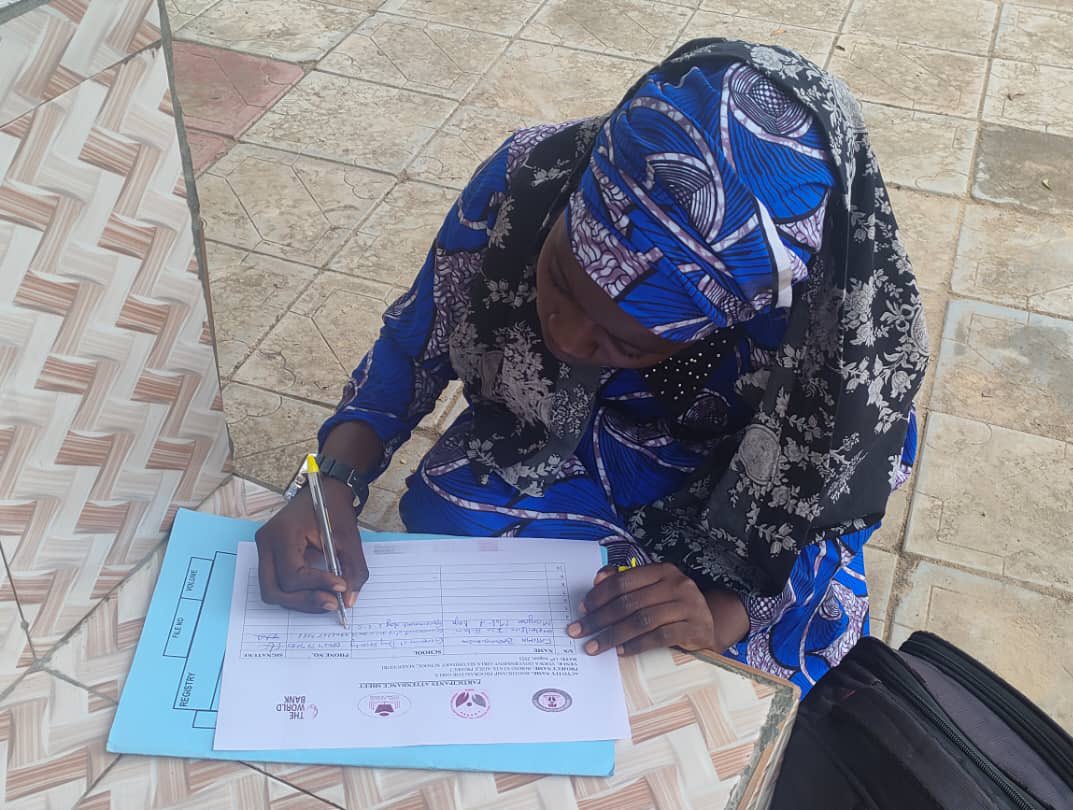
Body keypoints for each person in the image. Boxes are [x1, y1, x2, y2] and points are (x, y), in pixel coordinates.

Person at [254, 39, 928, 694]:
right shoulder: (532, 178)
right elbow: (413, 344)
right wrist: (330, 481)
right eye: (561, 282)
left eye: (627, 344)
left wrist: (715, 616)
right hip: (562, 447)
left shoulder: (835, 338)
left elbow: (835, 506)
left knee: (758, 671)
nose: (569, 342)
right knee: (454, 514)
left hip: (732, 521)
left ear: (730, 317)